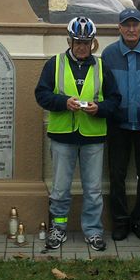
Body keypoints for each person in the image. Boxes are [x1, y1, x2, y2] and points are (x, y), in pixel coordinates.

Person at [35, 16, 121, 252]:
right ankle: (59, 229)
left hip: (93, 137)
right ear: (69, 41)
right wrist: (64, 102)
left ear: (93, 42)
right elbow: (41, 95)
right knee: (60, 188)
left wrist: (99, 108)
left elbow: (115, 100)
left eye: (86, 42)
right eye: (77, 41)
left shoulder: (102, 66)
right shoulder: (55, 63)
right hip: (63, 136)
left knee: (93, 190)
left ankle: (93, 231)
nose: (82, 46)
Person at [101, 7, 140, 241]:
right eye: (126, 25)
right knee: (116, 176)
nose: (131, 29)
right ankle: (120, 221)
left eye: (135, 24)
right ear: (119, 28)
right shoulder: (109, 54)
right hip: (118, 125)